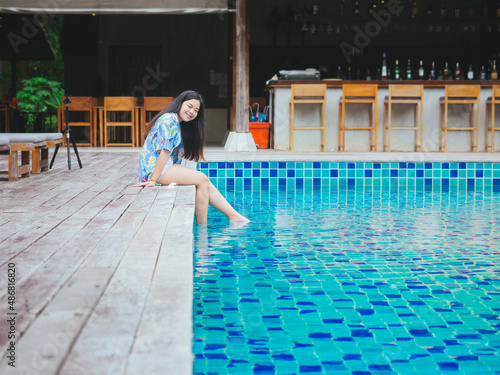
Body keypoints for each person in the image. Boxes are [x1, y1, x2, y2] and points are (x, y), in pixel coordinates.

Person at [134, 90, 249, 225]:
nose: (192, 112)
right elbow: (164, 152)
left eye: (196, 110)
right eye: (189, 106)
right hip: (154, 170)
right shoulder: (169, 119)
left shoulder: (177, 122)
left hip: (164, 167)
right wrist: (153, 180)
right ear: (180, 103)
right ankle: (203, 227)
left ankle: (233, 215)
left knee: (205, 182)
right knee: (202, 179)